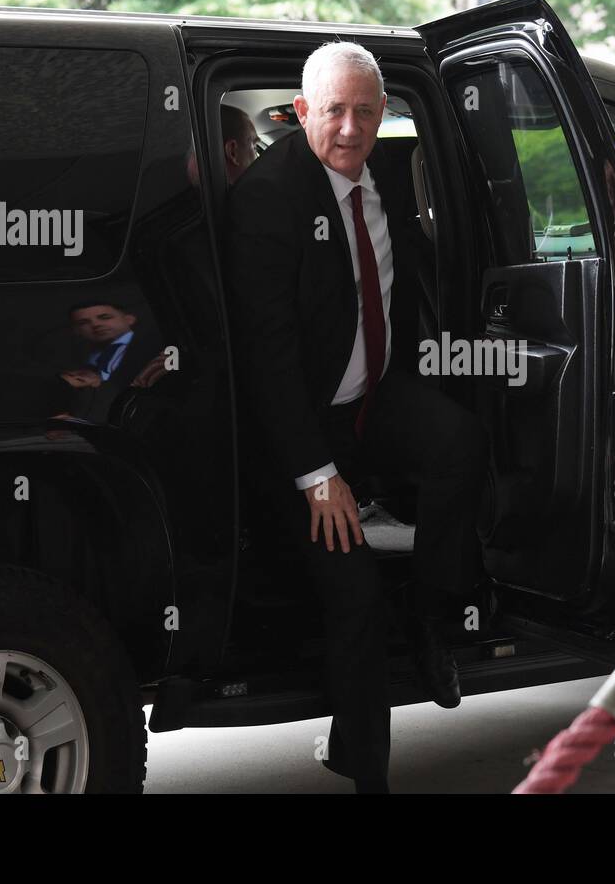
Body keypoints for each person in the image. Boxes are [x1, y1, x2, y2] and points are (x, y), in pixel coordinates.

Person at [225, 40, 488, 794]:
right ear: (301, 113)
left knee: (458, 443)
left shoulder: (387, 184)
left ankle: (437, 619)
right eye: (334, 111)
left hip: (372, 397)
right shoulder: (269, 199)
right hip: (296, 429)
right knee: (355, 594)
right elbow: (267, 362)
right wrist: (318, 477)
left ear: (383, 115)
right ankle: (365, 765)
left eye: (365, 112)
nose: (350, 128)